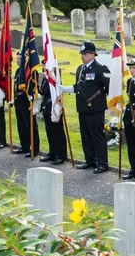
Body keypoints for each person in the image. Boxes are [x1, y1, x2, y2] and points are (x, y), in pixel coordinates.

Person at [73, 42, 111, 171]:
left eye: (85, 54)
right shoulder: (80, 69)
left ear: (92, 55)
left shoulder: (100, 69)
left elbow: (109, 86)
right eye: (82, 54)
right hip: (83, 108)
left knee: (97, 136)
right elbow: (78, 87)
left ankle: (102, 163)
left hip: (95, 109)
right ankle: (90, 161)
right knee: (86, 136)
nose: (83, 57)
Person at [12, 46, 40, 157]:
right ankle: (24, 146)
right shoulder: (18, 71)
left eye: (20, 58)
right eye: (17, 58)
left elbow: (33, 88)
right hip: (18, 101)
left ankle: (34, 148)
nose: (18, 60)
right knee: (21, 126)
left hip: (27, 102)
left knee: (30, 127)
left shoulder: (31, 71)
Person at [36, 70, 67, 165]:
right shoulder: (45, 78)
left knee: (57, 132)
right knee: (49, 131)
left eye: (46, 65)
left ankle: (60, 155)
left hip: (54, 107)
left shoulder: (55, 78)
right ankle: (52, 152)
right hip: (46, 107)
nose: (45, 67)